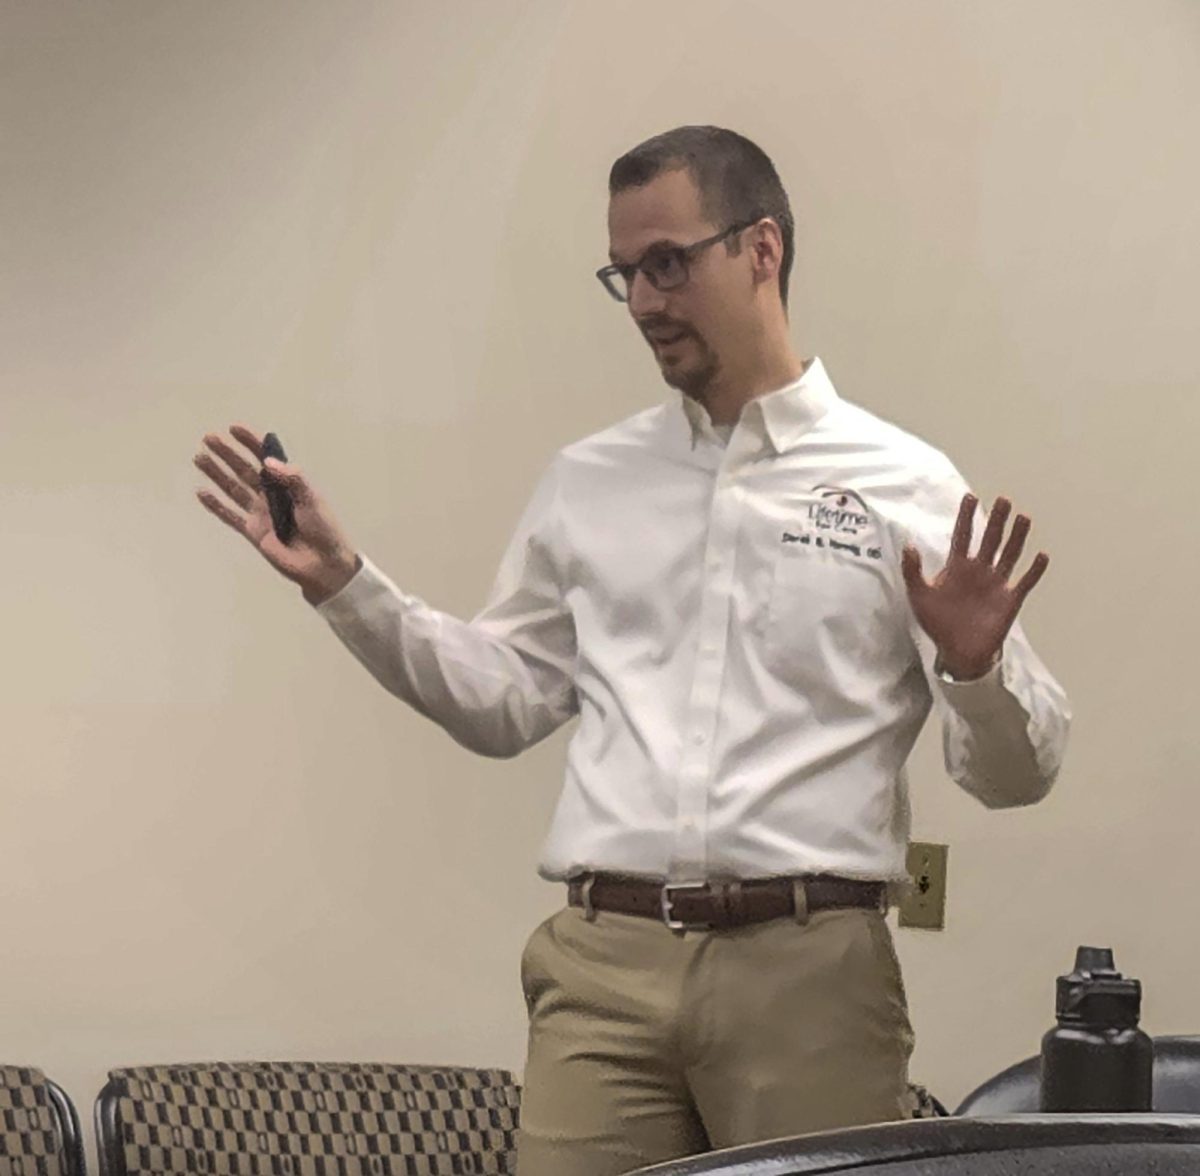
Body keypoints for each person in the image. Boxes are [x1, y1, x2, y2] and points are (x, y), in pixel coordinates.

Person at [194, 125, 1071, 1176]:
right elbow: (500, 702)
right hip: (603, 969)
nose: (645, 301)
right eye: (624, 274)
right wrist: (347, 585)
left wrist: (976, 671)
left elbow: (1019, 776)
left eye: (668, 263)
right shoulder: (589, 481)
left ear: (762, 250)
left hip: (810, 974)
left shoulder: (903, 482)